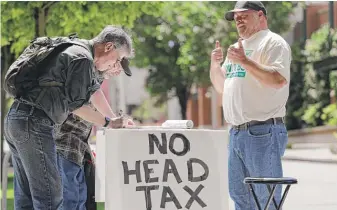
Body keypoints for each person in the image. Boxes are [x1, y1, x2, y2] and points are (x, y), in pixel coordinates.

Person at [4, 25, 133, 210]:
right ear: (109, 46)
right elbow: (78, 106)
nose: (115, 64)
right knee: (50, 197)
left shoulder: (74, 47)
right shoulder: (82, 59)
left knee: (26, 198)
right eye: (118, 59)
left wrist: (112, 119)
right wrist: (107, 122)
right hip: (35, 123)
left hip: (16, 119)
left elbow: (93, 93)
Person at [210, 1, 291, 210]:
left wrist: (245, 61)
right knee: (240, 198)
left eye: (244, 15)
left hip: (263, 131)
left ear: (261, 16)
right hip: (237, 133)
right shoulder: (239, 48)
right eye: (235, 17)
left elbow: (278, 80)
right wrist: (215, 65)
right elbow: (222, 87)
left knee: (266, 200)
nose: (238, 19)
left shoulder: (273, 43)